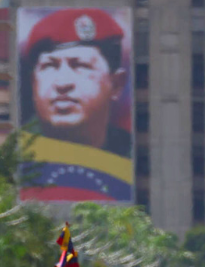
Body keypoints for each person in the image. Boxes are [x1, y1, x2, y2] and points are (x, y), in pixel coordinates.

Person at [22, 8, 131, 157]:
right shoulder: (16, 154)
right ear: (33, 83)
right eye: (49, 66)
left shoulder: (131, 154)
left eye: (81, 66)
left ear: (116, 85)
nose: (62, 84)